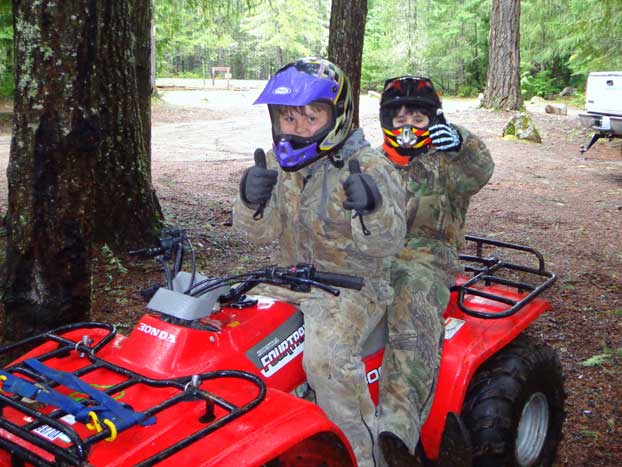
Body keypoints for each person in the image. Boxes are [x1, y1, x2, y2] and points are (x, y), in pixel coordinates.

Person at [233, 58, 407, 467]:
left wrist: (372, 208)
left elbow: (388, 243)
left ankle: (365, 456)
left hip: (353, 287)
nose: (297, 128)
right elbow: (257, 234)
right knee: (228, 324)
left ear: (337, 115)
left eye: (312, 117)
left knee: (326, 361)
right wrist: (250, 199)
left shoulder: (371, 166)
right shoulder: (279, 165)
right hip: (288, 279)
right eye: (288, 118)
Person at [376, 75, 495, 465]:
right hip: (373, 256)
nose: (407, 124)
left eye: (418, 116)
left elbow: (480, 169)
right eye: (399, 115)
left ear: (433, 120)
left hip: (427, 259)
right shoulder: (373, 162)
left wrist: (460, 141)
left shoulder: (447, 163)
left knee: (412, 313)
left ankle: (397, 432)